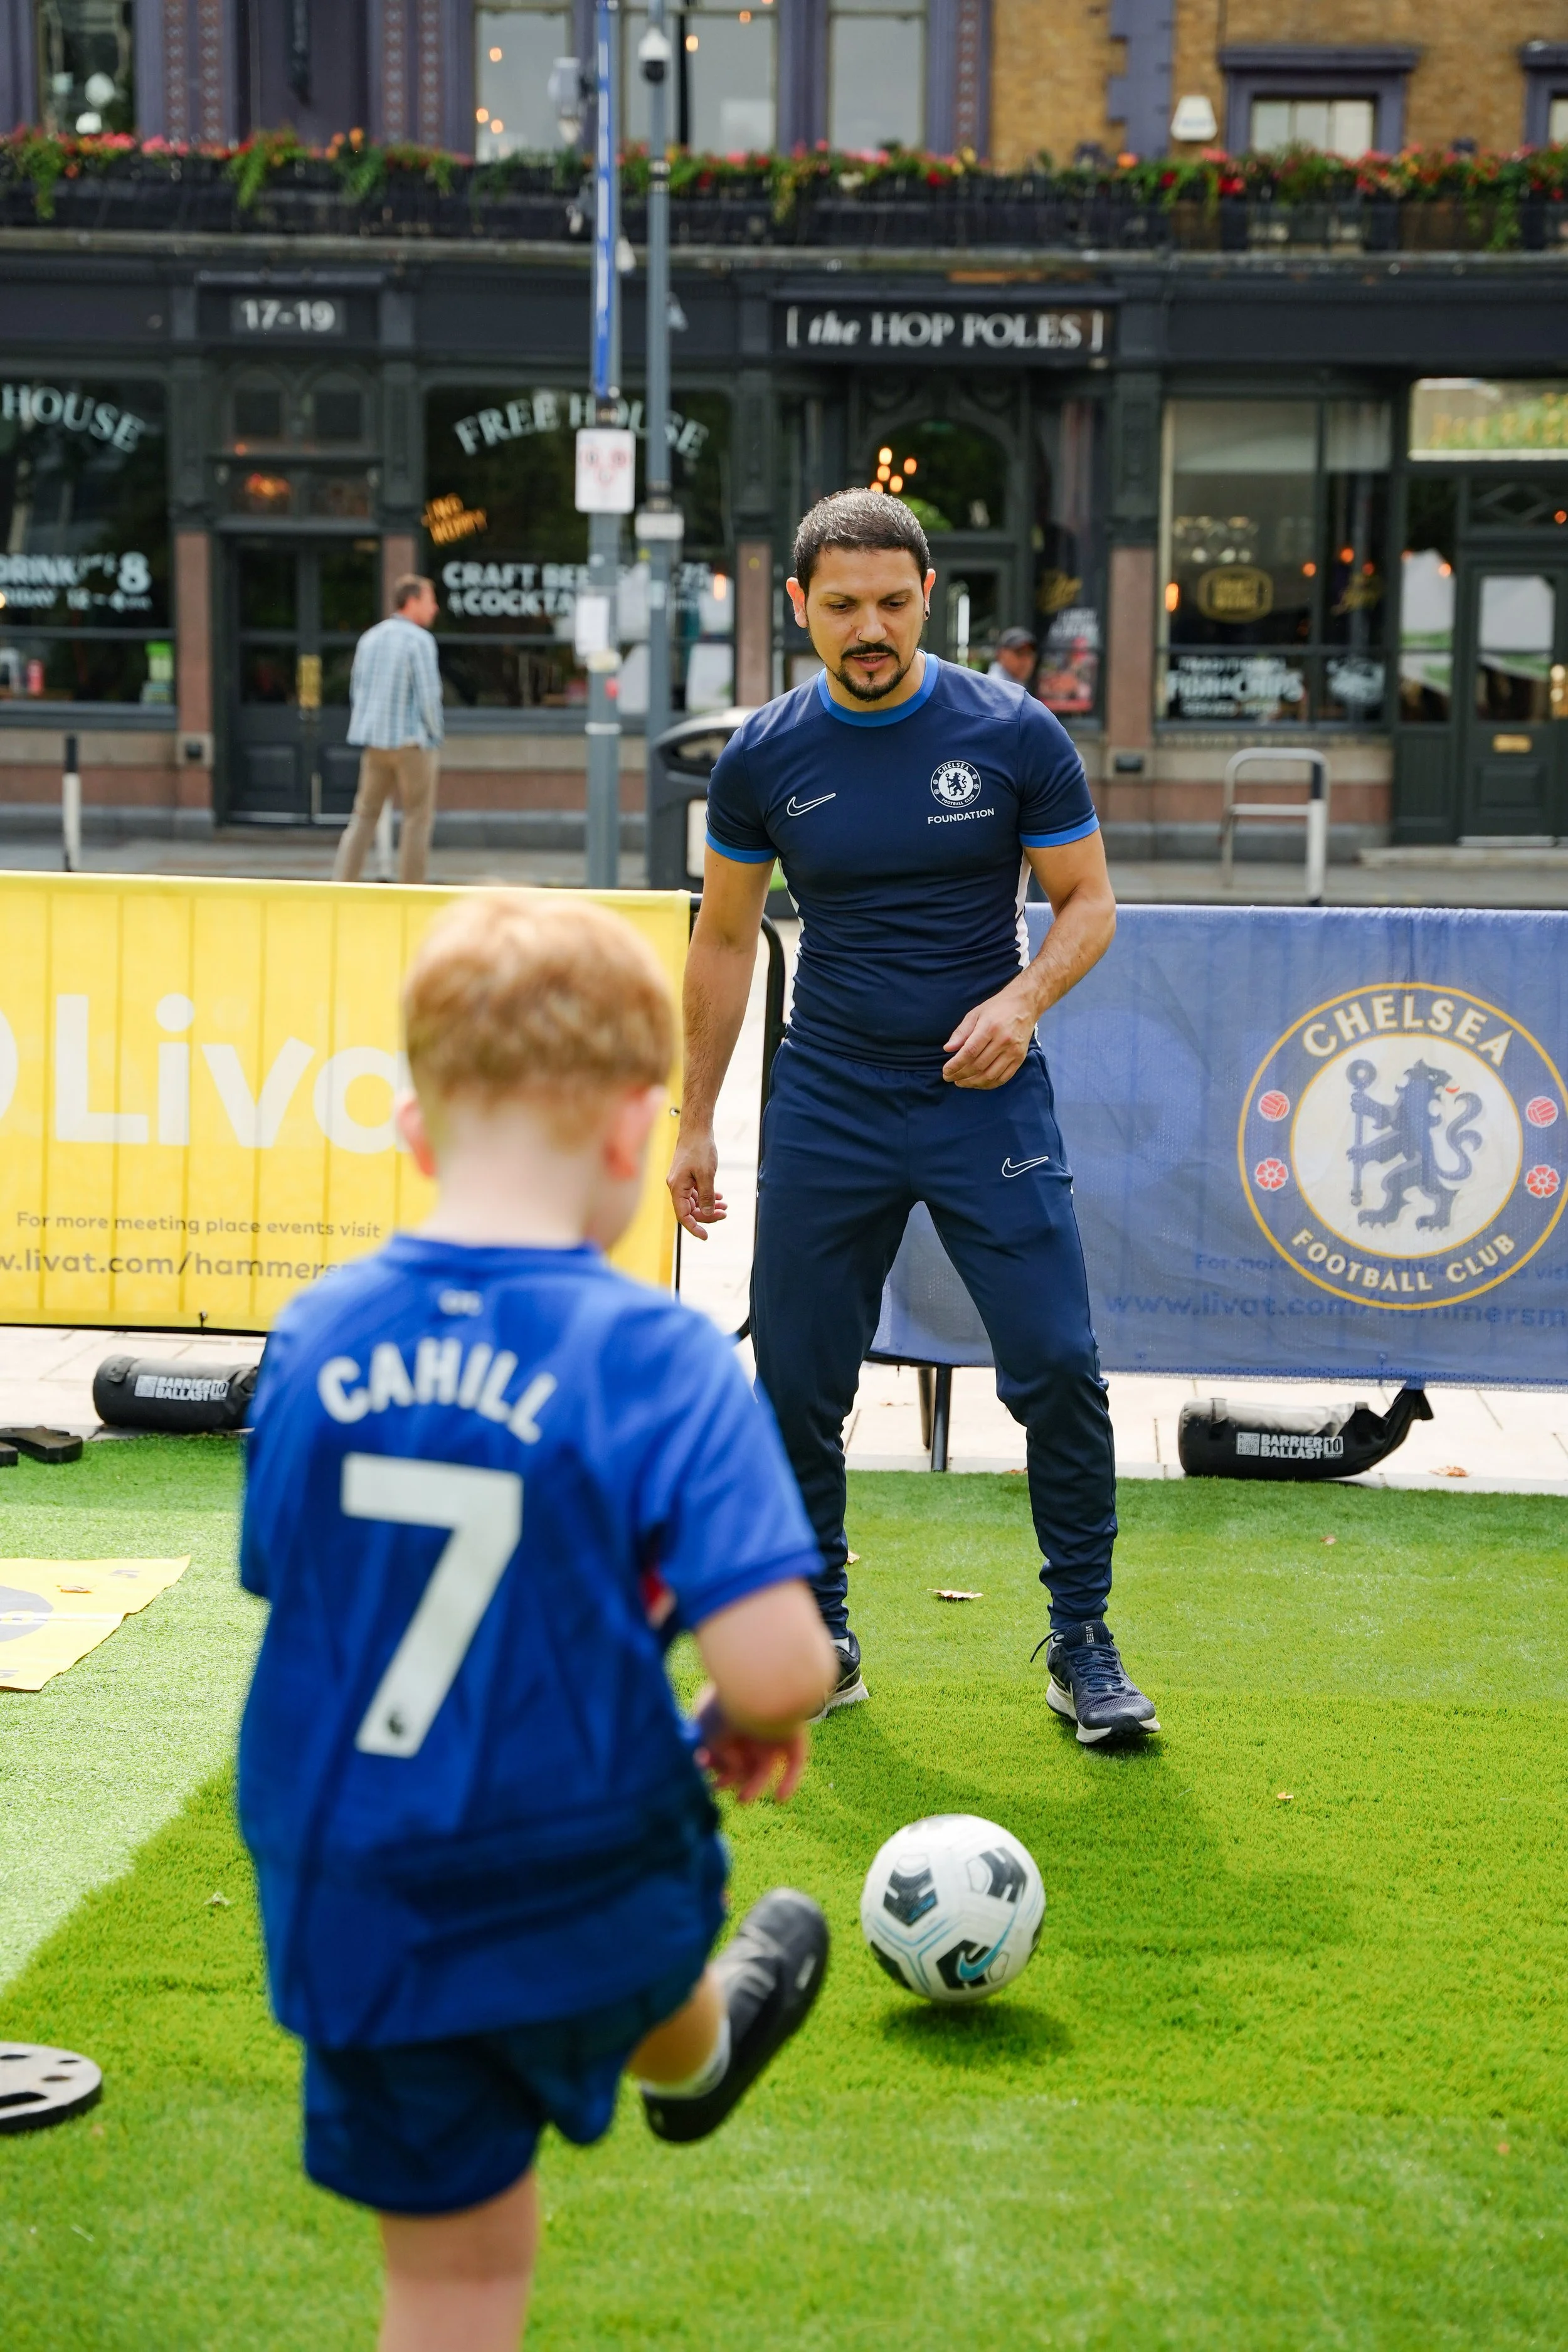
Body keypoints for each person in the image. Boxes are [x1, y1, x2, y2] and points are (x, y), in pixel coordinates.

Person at [238, 892, 837, 2352]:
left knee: (450, 2282)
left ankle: (683, 2035)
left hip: (351, 1877)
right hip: (578, 1865)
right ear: (637, 1133)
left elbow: (294, 1580)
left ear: (417, 1130)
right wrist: (747, 1713)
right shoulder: (661, 1353)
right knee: (629, 1939)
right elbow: (780, 1663)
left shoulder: (316, 1330)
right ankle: (691, 2049)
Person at [668, 489, 1158, 1749]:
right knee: (793, 1382)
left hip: (981, 1094)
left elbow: (1089, 903)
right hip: (828, 1093)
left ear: (927, 594)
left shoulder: (1010, 732)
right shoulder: (764, 755)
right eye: (841, 607)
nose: (868, 627)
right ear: (799, 609)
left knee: (1055, 1363)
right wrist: (693, 1123)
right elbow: (723, 940)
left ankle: (1081, 1639)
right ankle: (819, 1631)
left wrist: (1023, 1000)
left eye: (891, 601)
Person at [335, 573, 445, 886]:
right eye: (430, 601)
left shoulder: (370, 638)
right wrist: (435, 735)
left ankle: (342, 884)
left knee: (364, 815)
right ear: (412, 602)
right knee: (417, 819)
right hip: (412, 744)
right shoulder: (419, 641)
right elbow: (429, 696)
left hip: (375, 744)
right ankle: (411, 890)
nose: (434, 609)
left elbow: (358, 688)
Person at [991, 625, 1041, 694]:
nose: (1026, 661)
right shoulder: (996, 687)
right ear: (1001, 654)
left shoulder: (1017, 684)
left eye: (1030, 654)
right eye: (1020, 653)